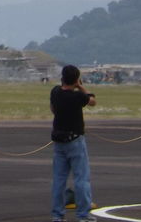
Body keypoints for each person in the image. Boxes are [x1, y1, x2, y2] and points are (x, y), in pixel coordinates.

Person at [50, 64, 96, 222]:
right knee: (81, 178)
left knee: (59, 179)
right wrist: (81, 87)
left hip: (59, 140)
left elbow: (53, 109)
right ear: (76, 79)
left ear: (62, 77)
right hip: (75, 139)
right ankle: (83, 214)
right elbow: (92, 101)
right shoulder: (77, 96)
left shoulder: (55, 92)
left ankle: (57, 214)